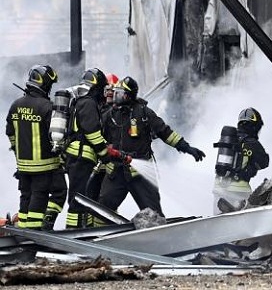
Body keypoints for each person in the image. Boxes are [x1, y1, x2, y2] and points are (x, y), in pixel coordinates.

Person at [98, 76, 205, 217]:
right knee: (103, 207)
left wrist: (187, 148)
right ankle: (99, 236)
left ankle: (157, 234)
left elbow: (165, 133)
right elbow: (97, 138)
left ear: (128, 96)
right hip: (116, 172)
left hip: (140, 174)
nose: (116, 96)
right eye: (115, 92)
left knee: (153, 212)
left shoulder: (144, 113)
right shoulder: (109, 116)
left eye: (120, 93)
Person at [63, 68, 128, 228]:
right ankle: (74, 233)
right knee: (78, 198)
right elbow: (92, 133)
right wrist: (105, 153)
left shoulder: (82, 102)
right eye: (103, 89)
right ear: (97, 87)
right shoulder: (88, 103)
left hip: (81, 157)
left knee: (86, 198)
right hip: (81, 157)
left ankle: (84, 231)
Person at [5, 65, 65, 230]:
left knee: (25, 197)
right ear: (44, 84)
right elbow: (55, 136)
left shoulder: (15, 105)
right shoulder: (46, 107)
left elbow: (10, 133)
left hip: (23, 165)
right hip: (44, 165)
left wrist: (19, 151)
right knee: (39, 197)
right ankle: (34, 234)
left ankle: (23, 230)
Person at [212, 107, 269, 214]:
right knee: (243, 224)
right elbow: (264, 162)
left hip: (219, 189)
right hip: (239, 192)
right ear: (254, 126)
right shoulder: (252, 143)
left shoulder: (228, 140)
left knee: (219, 222)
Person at [85, 73, 119, 202]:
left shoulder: (120, 111)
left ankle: (106, 221)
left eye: (113, 90)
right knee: (91, 197)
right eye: (107, 90)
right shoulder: (95, 107)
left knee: (108, 199)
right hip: (96, 161)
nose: (110, 93)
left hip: (111, 162)